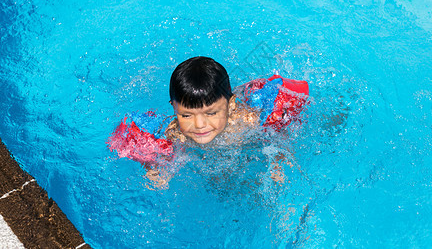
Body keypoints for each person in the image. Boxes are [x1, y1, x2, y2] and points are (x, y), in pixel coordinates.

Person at [109, 56, 309, 188]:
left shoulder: (249, 120)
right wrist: (155, 167)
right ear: (174, 108)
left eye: (211, 113)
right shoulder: (175, 132)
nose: (199, 125)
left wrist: (277, 164)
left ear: (230, 106)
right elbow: (137, 140)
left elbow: (279, 136)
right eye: (186, 115)